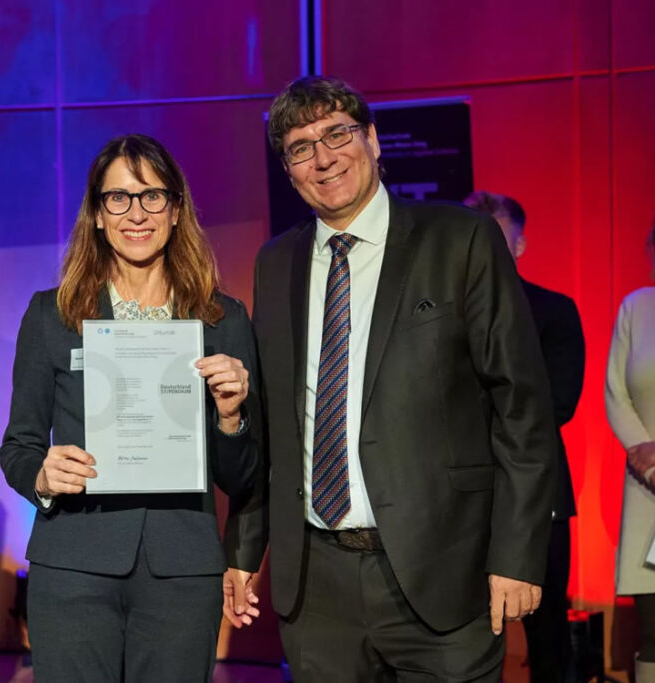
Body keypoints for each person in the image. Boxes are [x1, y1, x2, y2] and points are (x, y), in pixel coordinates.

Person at [223, 75, 557, 680]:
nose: (324, 158)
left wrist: (517, 554)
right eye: (301, 148)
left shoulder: (461, 240)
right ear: (289, 172)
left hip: (444, 573)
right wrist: (246, 549)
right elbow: (274, 425)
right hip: (317, 588)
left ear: (373, 140)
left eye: (337, 134)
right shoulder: (276, 262)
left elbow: (522, 408)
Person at [0, 133, 263, 682]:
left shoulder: (223, 320)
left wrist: (231, 417)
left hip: (181, 572)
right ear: (97, 215)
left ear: (176, 210)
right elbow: (19, 446)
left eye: (152, 196)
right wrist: (42, 477)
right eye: (118, 198)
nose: (136, 213)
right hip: (72, 565)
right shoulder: (52, 315)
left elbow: (242, 479)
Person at [465, 190, 585, 682]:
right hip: (462, 499)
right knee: (464, 641)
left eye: (499, 238)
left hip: (538, 495)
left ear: (520, 244)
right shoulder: (444, 314)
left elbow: (558, 404)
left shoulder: (553, 310)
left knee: (548, 636)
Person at [606, 219, 655, 683]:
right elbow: (616, 393)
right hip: (648, 486)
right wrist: (649, 457)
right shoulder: (636, 307)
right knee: (654, 634)